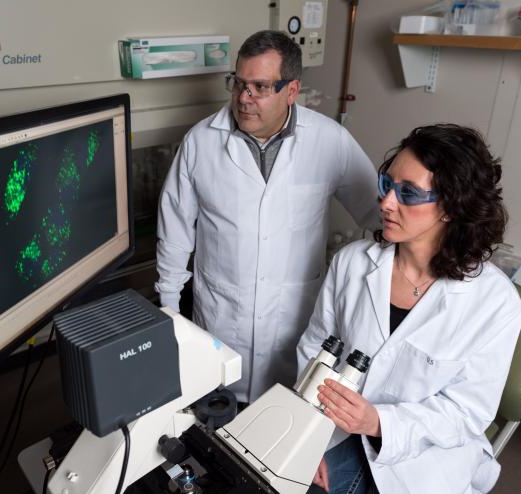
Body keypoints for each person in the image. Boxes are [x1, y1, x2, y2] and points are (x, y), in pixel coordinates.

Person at [297, 124, 521, 493]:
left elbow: (466, 413)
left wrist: (377, 422)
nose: (386, 202)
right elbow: (315, 348)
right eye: (387, 185)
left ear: (451, 206)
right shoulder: (353, 263)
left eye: (408, 194)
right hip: (335, 432)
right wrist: (307, 438)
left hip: (423, 462)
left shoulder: (494, 304)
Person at [155, 30, 380, 404]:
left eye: (259, 87)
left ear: (291, 91)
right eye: (239, 84)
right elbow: (175, 231)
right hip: (220, 317)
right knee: (216, 417)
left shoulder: (330, 140)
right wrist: (169, 311)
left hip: (295, 320)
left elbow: (378, 215)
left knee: (284, 417)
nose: (244, 98)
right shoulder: (201, 141)